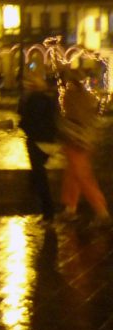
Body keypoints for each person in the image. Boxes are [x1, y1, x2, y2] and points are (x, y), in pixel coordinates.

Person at [57, 72, 109, 225]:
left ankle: (101, 212)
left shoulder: (71, 96)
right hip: (84, 141)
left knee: (81, 176)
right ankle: (70, 209)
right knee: (73, 175)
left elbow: (70, 117)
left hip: (75, 141)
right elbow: (91, 117)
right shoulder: (87, 96)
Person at [17, 69, 58, 223]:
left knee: (40, 177)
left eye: (28, 82)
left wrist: (24, 126)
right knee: (37, 174)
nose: (26, 84)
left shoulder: (34, 99)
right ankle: (33, 200)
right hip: (47, 141)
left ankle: (48, 212)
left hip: (37, 141)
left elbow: (28, 119)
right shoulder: (47, 98)